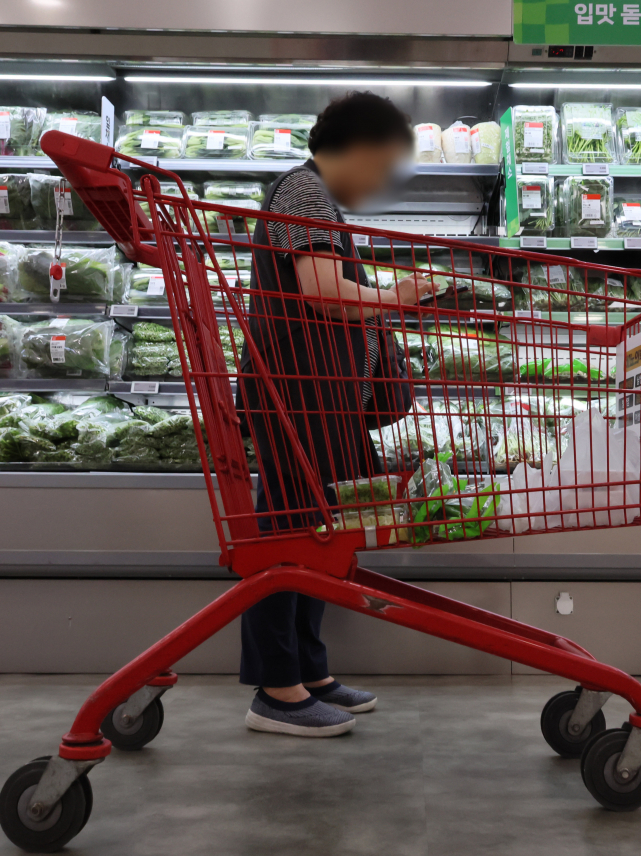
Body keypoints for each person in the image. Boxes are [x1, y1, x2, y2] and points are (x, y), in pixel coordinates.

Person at [235, 92, 435, 737]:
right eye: (382, 165)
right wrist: (393, 293)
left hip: (319, 395)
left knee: (317, 532)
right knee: (289, 536)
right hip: (298, 393)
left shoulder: (316, 200)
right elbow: (320, 291)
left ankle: (310, 672)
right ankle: (277, 689)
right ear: (356, 149)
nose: (381, 182)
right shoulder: (304, 191)